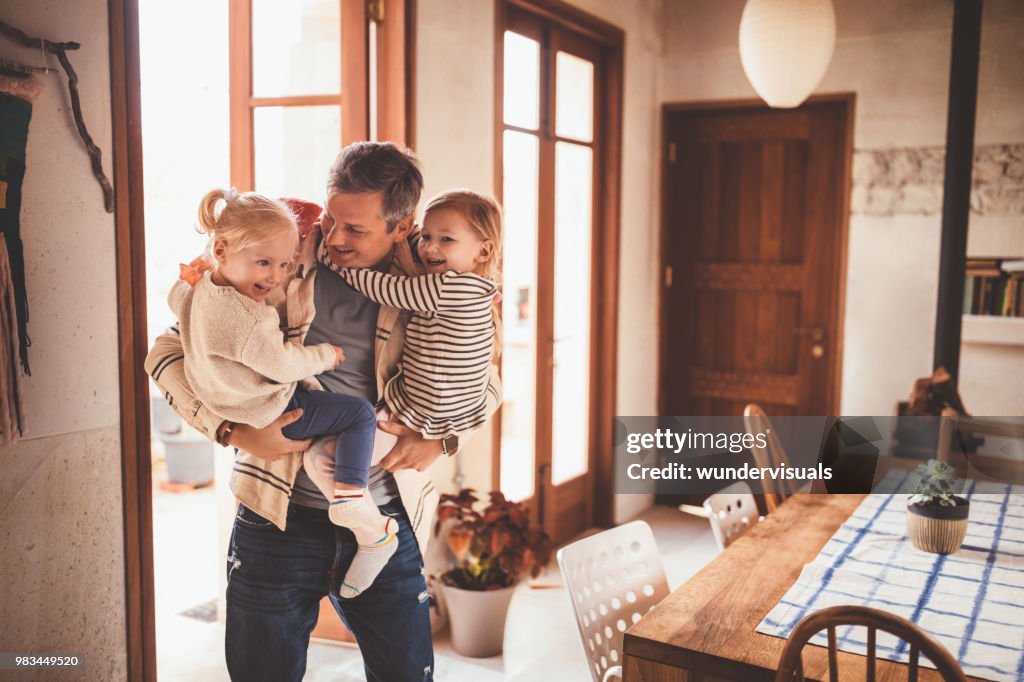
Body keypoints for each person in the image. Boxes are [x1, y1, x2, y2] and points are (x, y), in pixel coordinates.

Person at [145, 142, 501, 682]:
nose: (333, 237)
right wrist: (231, 430)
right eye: (332, 217)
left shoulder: (437, 285)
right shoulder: (279, 256)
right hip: (274, 516)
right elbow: (165, 352)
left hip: (383, 518)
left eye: (355, 229)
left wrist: (444, 441)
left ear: (402, 226)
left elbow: (489, 381)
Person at [168, 188, 401, 595]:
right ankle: (350, 497)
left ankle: (362, 522)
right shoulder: (249, 316)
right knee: (359, 415)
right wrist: (325, 355)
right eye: (264, 263)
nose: (275, 277)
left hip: (233, 398)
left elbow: (177, 297)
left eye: (285, 264)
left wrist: (442, 439)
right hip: (270, 414)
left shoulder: (200, 288)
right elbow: (283, 364)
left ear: (401, 227)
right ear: (221, 250)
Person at [321, 189, 502, 453]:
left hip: (425, 413)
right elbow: (415, 237)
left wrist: (331, 257)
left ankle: (350, 496)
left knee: (329, 454)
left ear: (483, 251)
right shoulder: (476, 286)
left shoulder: (449, 288)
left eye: (446, 239)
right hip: (449, 413)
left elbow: (381, 287)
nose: (429, 247)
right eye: (426, 236)